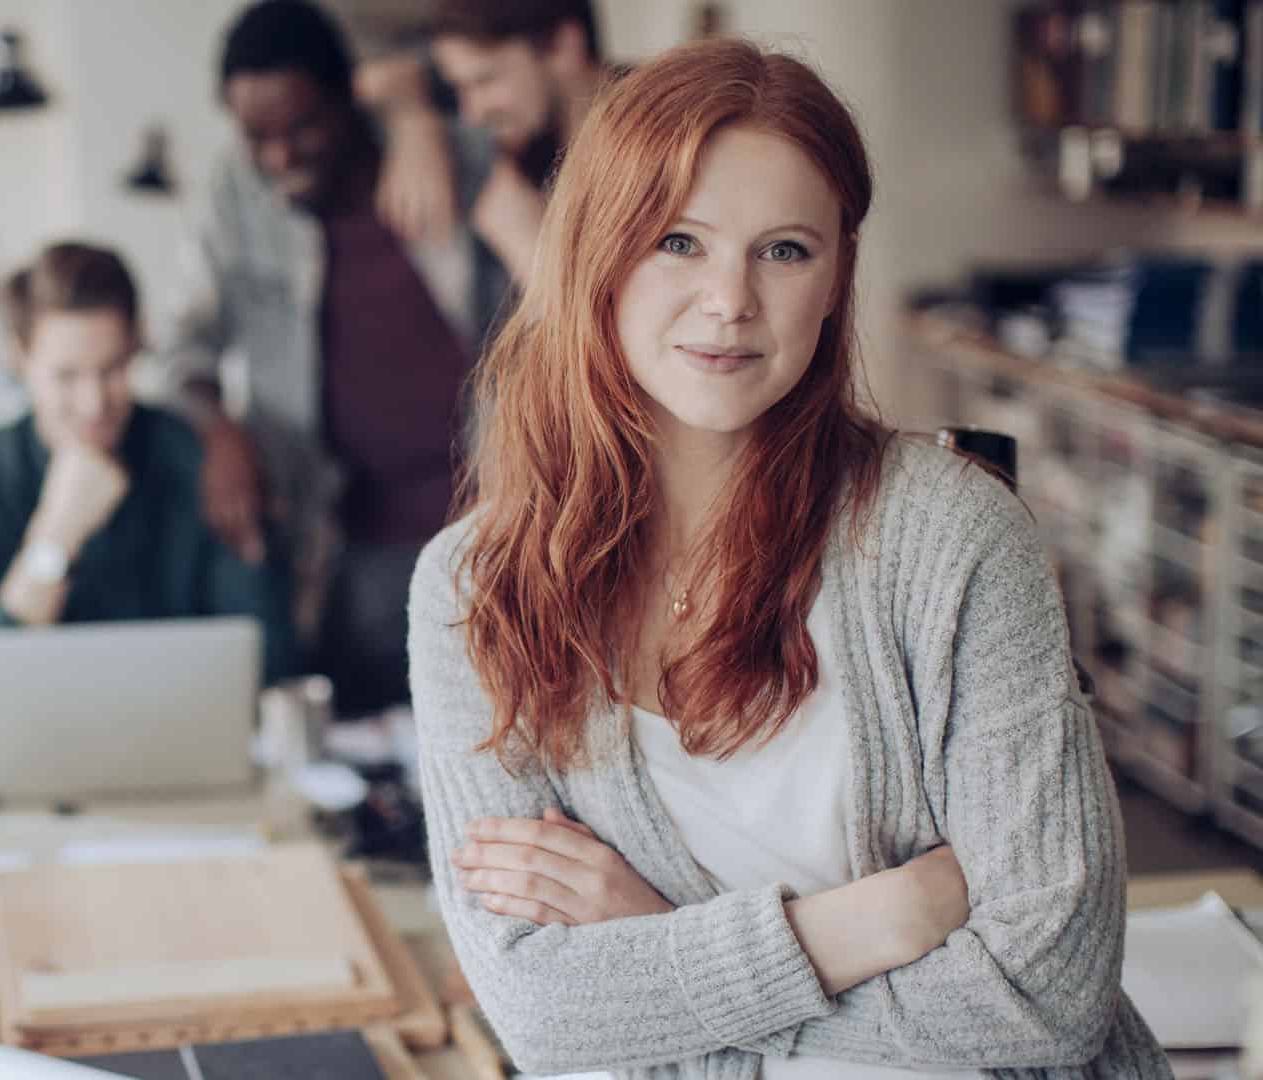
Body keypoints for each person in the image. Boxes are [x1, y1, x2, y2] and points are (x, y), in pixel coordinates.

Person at [409, 39, 1167, 1080]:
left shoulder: (951, 538)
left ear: (835, 278)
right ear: (597, 253)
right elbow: (540, 1011)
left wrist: (661, 942)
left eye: (785, 251)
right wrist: (880, 916)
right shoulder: (473, 587)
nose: (730, 301)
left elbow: (1050, 996)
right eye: (679, 241)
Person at [166, 0, 506, 716]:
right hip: (341, 547)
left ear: (350, 95)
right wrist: (219, 431)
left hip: (489, 526)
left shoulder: (453, 154)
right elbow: (183, 349)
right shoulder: (235, 190)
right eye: (257, 136)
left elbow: (548, 315)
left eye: (303, 127)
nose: (279, 157)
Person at [0, 242, 294, 684]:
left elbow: (267, 656)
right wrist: (56, 538)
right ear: (20, 359)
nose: (94, 402)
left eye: (113, 369)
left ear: (136, 343)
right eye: (67, 376)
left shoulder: (200, 463)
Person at [360, 0, 616, 284]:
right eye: (458, 87)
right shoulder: (532, 139)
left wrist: (530, 246)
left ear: (563, 47)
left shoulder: (655, 139)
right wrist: (414, 123)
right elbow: (380, 78)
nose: (473, 113)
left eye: (485, 81)